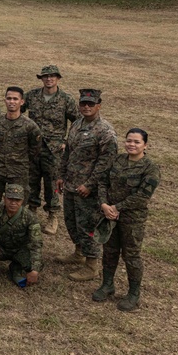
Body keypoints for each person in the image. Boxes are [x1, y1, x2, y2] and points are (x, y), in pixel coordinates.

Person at [93, 128, 160, 312]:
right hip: (110, 216)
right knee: (110, 251)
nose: (132, 144)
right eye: (129, 141)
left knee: (131, 256)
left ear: (145, 145)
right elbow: (102, 182)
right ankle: (107, 285)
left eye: (137, 142)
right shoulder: (117, 160)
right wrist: (104, 204)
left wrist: (117, 207)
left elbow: (142, 196)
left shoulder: (150, 168)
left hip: (132, 219)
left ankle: (133, 293)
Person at [57, 89, 118, 281]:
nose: (86, 107)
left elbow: (106, 163)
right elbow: (68, 152)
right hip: (71, 183)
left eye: (91, 104)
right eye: (83, 103)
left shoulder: (105, 131)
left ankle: (92, 265)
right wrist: (60, 175)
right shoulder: (76, 124)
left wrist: (90, 184)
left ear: (98, 105)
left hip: (88, 189)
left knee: (88, 225)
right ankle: (79, 253)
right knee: (72, 221)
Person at [25, 65, 80, 228]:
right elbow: (16, 110)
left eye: (52, 76)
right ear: (41, 78)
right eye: (46, 76)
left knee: (52, 182)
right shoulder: (32, 96)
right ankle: (31, 210)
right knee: (31, 179)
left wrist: (67, 142)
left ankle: (52, 215)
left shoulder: (66, 99)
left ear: (58, 78)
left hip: (54, 150)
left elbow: (77, 122)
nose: (49, 79)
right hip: (33, 146)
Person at [0, 184, 42, 286]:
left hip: (19, 249)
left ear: (22, 201)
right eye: (10, 199)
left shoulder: (30, 217)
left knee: (35, 263)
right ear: (4, 198)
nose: (13, 203)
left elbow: (36, 244)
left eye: (17, 200)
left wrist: (35, 270)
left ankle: (16, 268)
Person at [0, 86, 42, 208]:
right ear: (5, 100)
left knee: (16, 205)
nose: (12, 102)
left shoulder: (30, 126)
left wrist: (20, 159)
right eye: (9, 98)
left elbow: (35, 149)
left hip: (18, 171)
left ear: (22, 102)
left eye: (15, 99)